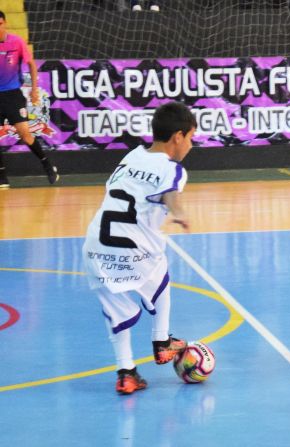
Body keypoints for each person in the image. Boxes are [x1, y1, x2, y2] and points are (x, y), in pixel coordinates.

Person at [82, 101, 196, 394]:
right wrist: (178, 211)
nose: (191, 145)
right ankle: (162, 343)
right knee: (160, 272)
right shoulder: (173, 169)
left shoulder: (132, 157)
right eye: (192, 138)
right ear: (178, 137)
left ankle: (126, 373)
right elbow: (169, 194)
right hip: (134, 249)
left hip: (95, 247)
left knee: (115, 310)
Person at [0, 11, 59, 188]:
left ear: (5, 23)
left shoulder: (16, 42)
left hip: (12, 95)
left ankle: (47, 165)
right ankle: (2, 176)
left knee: (25, 134)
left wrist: (34, 90)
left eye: (0, 23)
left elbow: (31, 64)